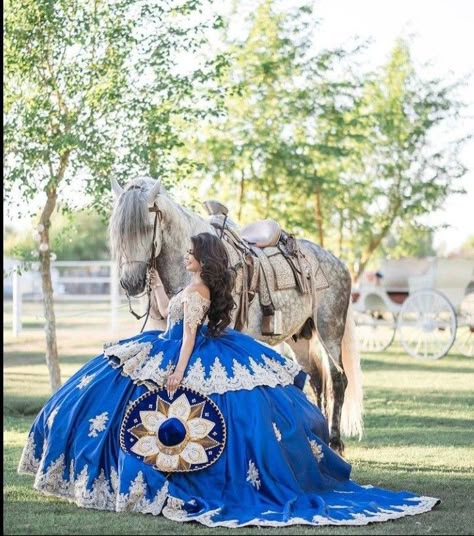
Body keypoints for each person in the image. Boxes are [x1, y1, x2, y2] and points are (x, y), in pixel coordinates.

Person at [18, 232, 439, 527]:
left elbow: (185, 337)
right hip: (168, 341)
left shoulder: (201, 293)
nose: (184, 257)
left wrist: (178, 374)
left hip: (183, 352)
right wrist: (155, 287)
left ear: (204, 260)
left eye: (190, 253)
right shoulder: (191, 287)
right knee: (102, 382)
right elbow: (168, 315)